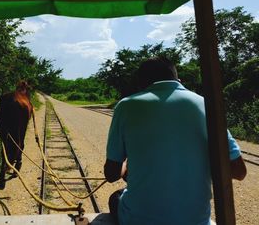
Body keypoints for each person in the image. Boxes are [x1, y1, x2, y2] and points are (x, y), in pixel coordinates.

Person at [104, 57, 246, 225]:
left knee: (115, 197)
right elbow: (239, 171)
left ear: (142, 85)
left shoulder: (126, 106)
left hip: (139, 220)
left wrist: (127, 166)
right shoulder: (205, 104)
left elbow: (111, 174)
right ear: (178, 80)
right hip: (196, 221)